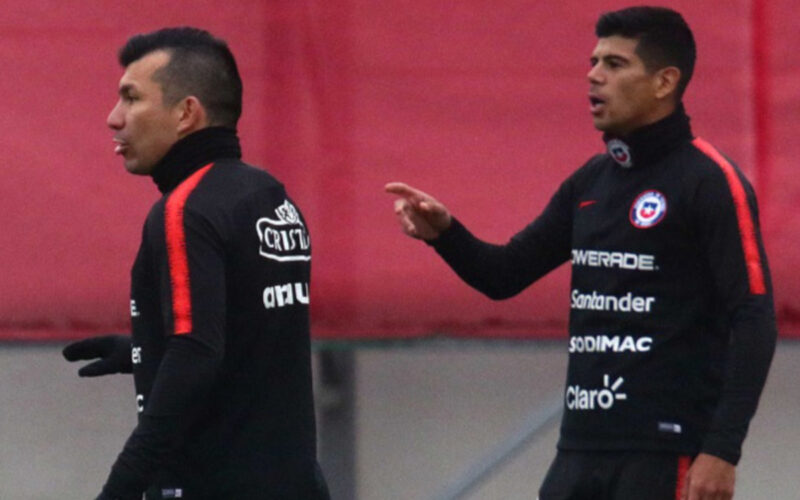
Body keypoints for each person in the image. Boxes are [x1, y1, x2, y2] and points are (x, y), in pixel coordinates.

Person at [386, 7, 776, 500]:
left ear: (664, 82)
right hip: (580, 450)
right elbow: (503, 275)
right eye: (593, 62)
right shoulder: (590, 182)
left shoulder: (710, 181)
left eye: (614, 64)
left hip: (667, 452)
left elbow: (755, 316)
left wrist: (722, 449)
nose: (593, 75)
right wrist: (445, 233)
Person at [62, 27, 329, 500]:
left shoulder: (186, 210)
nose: (113, 118)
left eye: (131, 98)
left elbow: (196, 355)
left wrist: (122, 487)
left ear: (186, 113)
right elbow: (253, 332)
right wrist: (144, 350)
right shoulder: (268, 195)